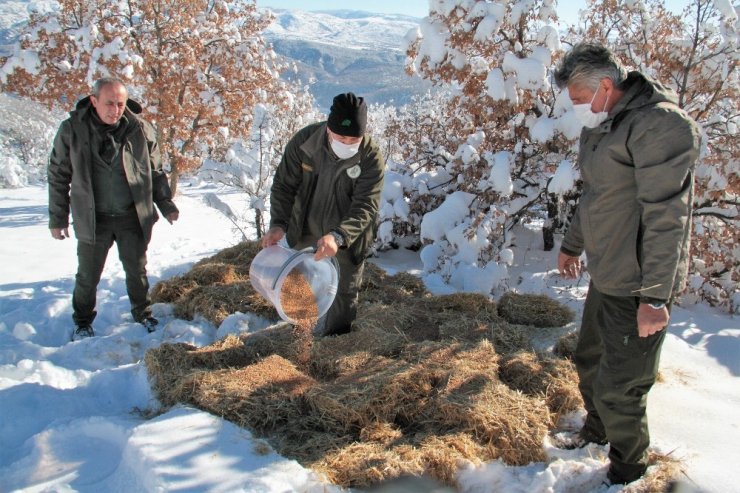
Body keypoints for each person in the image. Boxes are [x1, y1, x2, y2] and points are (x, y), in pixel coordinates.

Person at [553, 43, 701, 485]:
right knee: (591, 360)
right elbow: (597, 196)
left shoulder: (659, 127)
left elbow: (666, 218)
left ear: (605, 86)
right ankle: (597, 431)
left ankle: (628, 468)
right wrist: (572, 244)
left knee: (622, 388)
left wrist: (656, 297)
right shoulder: (603, 124)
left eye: (579, 98)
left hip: (639, 282)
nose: (576, 108)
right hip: (609, 270)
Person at [48, 77, 179, 341]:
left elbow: (154, 171)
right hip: (93, 217)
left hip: (132, 214)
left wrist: (165, 204)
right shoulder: (73, 129)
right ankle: (83, 321)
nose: (115, 110)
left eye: (120, 104)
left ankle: (143, 313)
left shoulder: (140, 129)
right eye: (109, 103)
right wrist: (58, 218)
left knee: (137, 269)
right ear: (94, 101)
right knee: (88, 275)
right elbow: (58, 174)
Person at [261, 92, 385, 336]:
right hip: (305, 227)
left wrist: (338, 236)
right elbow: (284, 186)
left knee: (344, 290)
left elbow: (366, 205)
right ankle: (301, 333)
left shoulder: (370, 156)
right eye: (341, 137)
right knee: (301, 282)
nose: (347, 143)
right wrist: (278, 223)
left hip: (348, 236)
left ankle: (336, 341)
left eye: (354, 139)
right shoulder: (305, 144)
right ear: (329, 128)